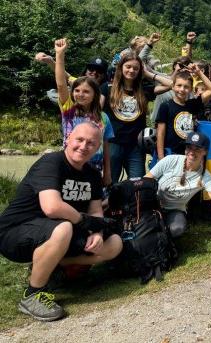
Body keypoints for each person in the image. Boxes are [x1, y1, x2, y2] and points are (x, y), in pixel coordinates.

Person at [0, 123, 123, 321]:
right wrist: (85, 222)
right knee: (64, 226)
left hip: (58, 233)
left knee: (114, 244)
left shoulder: (92, 174)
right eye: (79, 140)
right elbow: (52, 207)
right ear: (68, 140)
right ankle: (33, 294)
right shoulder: (51, 162)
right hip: (15, 233)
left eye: (91, 143)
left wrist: (97, 232)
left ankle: (55, 265)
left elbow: (95, 210)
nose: (84, 146)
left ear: (97, 147)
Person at [101, 51, 171, 182]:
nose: (131, 70)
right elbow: (96, 111)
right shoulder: (107, 88)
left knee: (137, 185)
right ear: (121, 67)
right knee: (110, 183)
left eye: (136, 68)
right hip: (112, 143)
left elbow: (171, 84)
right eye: (128, 66)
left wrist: (149, 74)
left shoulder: (144, 89)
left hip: (136, 146)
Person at [146, 131, 211, 238]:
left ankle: (162, 238)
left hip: (175, 210)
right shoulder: (170, 160)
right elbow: (146, 180)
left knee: (177, 229)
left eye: (197, 149)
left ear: (205, 152)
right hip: (153, 205)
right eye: (189, 147)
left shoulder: (205, 176)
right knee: (147, 226)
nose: (191, 152)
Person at [53, 38, 113, 186]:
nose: (80, 94)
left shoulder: (103, 117)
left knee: (93, 205)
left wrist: (107, 173)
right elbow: (61, 84)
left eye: (86, 91)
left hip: (95, 169)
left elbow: (105, 147)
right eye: (77, 91)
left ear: (95, 95)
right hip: (70, 166)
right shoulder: (69, 111)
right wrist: (60, 54)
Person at [155, 67, 211, 163]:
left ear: (191, 89)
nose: (182, 89)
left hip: (189, 155)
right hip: (171, 154)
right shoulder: (166, 106)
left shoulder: (193, 104)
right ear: (173, 86)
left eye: (186, 87)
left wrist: (198, 72)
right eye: (179, 85)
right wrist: (161, 157)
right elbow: (160, 133)